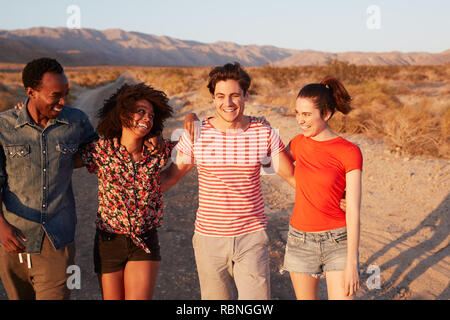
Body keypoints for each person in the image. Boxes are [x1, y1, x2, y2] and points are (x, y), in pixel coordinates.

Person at [160, 62, 295, 300]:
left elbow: (292, 176)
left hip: (251, 237)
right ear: (213, 98)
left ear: (246, 95)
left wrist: (337, 198)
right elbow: (171, 176)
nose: (228, 103)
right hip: (208, 239)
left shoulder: (263, 133)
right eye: (221, 96)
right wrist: (129, 191)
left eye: (235, 95)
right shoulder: (196, 133)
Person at [0, 57, 98, 300]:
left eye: (66, 93)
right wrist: (1, 227)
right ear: (31, 92)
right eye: (56, 95)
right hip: (12, 239)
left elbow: (100, 153)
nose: (63, 101)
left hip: (56, 238)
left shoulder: (76, 121)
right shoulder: (3, 127)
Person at [76, 83, 174, 300]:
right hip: (108, 242)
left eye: (151, 114)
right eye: (141, 112)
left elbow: (191, 149)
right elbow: (62, 156)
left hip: (144, 241)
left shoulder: (158, 151)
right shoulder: (102, 151)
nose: (147, 118)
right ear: (122, 114)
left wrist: (192, 116)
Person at [281, 77, 362, 300]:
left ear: (326, 114)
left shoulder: (349, 151)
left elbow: (354, 210)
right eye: (297, 113)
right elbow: (277, 167)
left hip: (338, 240)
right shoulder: (297, 143)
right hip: (300, 240)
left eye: (307, 115)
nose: (300, 120)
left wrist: (352, 263)